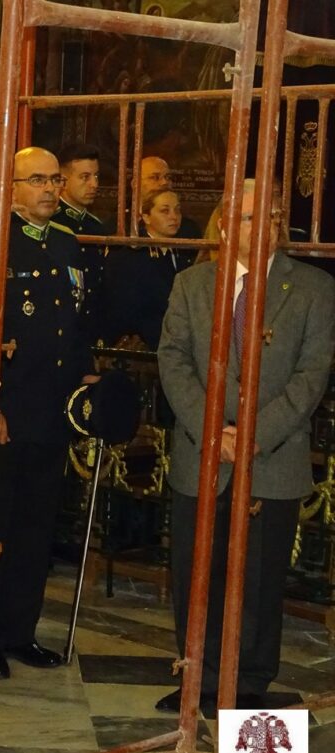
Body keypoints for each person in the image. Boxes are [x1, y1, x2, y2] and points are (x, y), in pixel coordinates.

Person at [155, 180, 335, 714]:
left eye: (274, 216)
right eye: (254, 217)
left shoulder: (313, 288)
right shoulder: (193, 285)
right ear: (227, 223)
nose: (267, 226)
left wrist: (255, 435)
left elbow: (312, 374)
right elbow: (173, 360)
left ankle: (250, 681)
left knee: (258, 579)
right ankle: (198, 677)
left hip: (272, 457)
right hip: (202, 453)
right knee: (195, 574)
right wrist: (215, 431)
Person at [0, 147, 93, 681]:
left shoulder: (66, 242)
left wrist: (85, 377)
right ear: (11, 186)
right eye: (36, 179)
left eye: (54, 180)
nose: (48, 189)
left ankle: (21, 630)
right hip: (7, 408)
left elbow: (75, 322)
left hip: (51, 408)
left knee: (36, 527)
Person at [103, 188, 196, 350]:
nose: (174, 217)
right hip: (144, 345)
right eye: (165, 211)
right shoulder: (130, 254)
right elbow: (125, 308)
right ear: (146, 217)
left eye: (177, 210)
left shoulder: (183, 251)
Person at [54, 143, 110, 343]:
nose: (94, 184)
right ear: (63, 180)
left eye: (96, 176)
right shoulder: (53, 222)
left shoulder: (96, 226)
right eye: (85, 177)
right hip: (58, 325)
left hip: (90, 327)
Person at [139, 156, 200, 238]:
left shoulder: (188, 230)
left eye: (168, 177)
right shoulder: (122, 226)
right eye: (155, 177)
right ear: (135, 183)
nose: (164, 182)